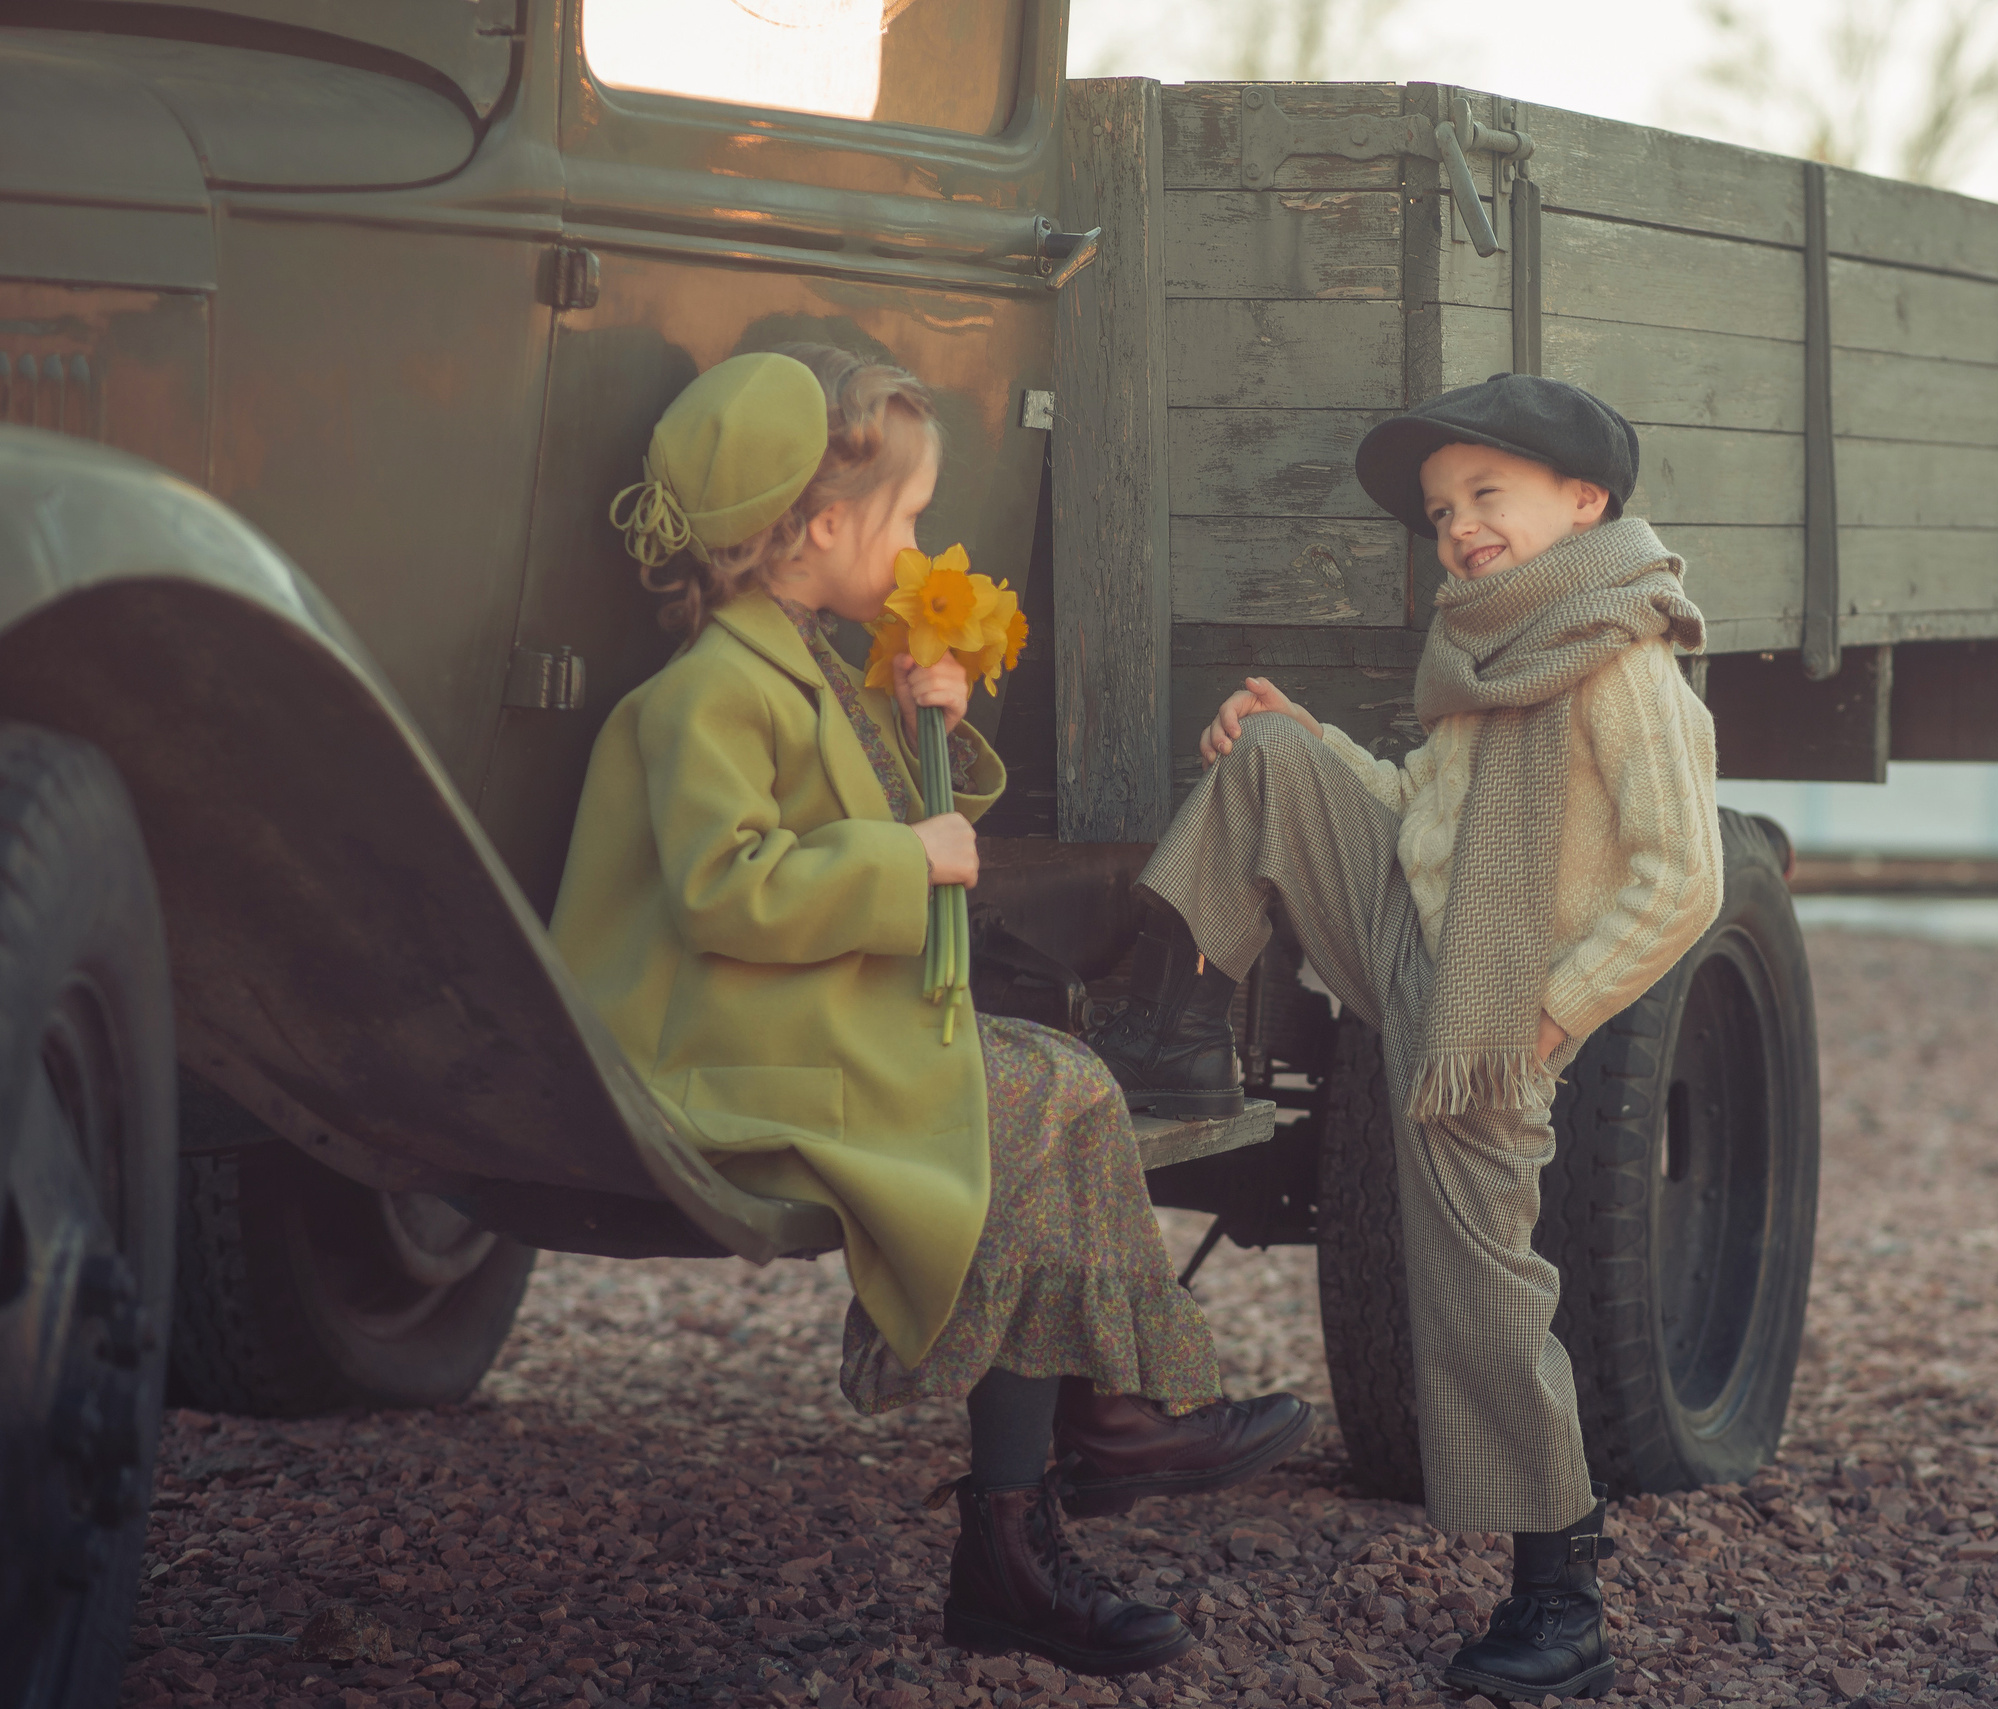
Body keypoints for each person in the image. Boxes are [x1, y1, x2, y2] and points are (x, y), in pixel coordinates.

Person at [549, 347, 1311, 1679]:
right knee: (1033, 1093)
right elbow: (732, 892)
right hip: (702, 1046)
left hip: (778, 1023)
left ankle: (1074, 1465)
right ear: (822, 525)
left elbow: (880, 832)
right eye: (902, 520)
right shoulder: (709, 692)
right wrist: (912, 857)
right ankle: (1072, 1471)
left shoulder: (803, 662)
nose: (912, 550)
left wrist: (926, 722)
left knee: (1059, 1082)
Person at [1092, 372, 1723, 1701]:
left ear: (1582, 501)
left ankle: (1562, 1596)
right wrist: (1308, 747)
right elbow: (1417, 822)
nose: (1460, 530)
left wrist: (1551, 1011)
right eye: (1442, 511)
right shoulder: (1486, 647)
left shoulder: (1623, 655)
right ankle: (1177, 1036)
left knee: (1485, 1295)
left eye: (1486, 495)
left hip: (1490, 1017)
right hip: (1416, 942)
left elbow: (1683, 881)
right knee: (1266, 751)